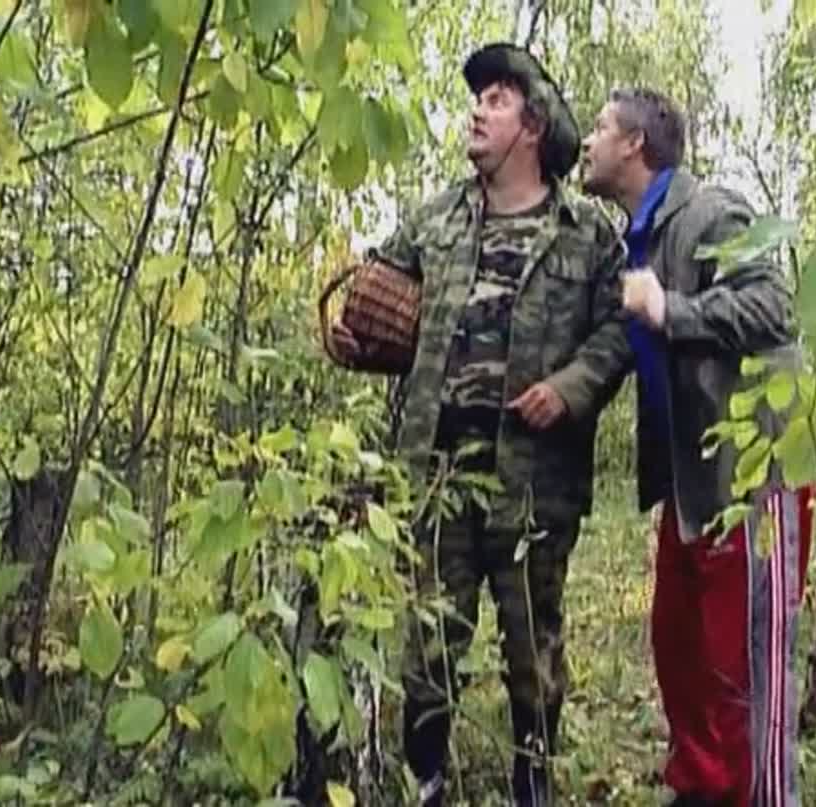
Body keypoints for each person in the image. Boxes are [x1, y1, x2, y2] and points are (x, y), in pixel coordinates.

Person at [328, 43, 628, 806]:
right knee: (429, 646)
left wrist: (569, 388)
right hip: (437, 476)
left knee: (533, 650)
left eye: (496, 100)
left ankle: (532, 783)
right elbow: (377, 295)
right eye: (477, 98)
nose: (476, 111)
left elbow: (621, 332)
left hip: (536, 484)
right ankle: (425, 780)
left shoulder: (586, 233)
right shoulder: (436, 218)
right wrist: (352, 337)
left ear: (532, 125)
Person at [580, 87, 814, 807]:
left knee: (746, 671)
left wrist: (670, 308)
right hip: (691, 484)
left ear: (634, 145)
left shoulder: (711, 211)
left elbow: (774, 306)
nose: (587, 140)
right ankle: (702, 793)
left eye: (600, 127)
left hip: (752, 482)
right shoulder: (638, 238)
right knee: (681, 653)